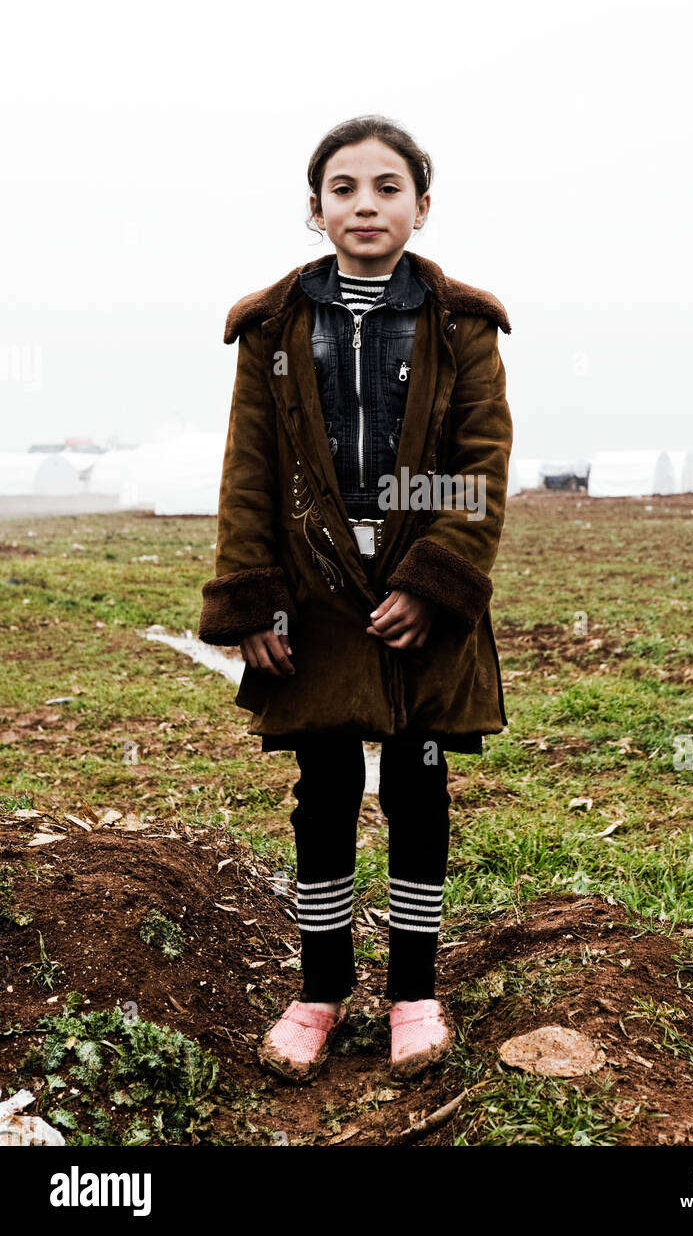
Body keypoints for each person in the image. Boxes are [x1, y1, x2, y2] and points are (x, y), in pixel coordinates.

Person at [198, 114, 513, 1083]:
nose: (365, 204)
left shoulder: (461, 324)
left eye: (386, 187)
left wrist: (433, 580)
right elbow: (250, 469)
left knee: (418, 786)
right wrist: (252, 599)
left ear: (421, 204)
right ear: (315, 208)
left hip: (417, 595)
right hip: (315, 593)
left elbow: (479, 465)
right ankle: (319, 991)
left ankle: (413, 993)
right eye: (344, 187)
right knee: (325, 790)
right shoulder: (273, 327)